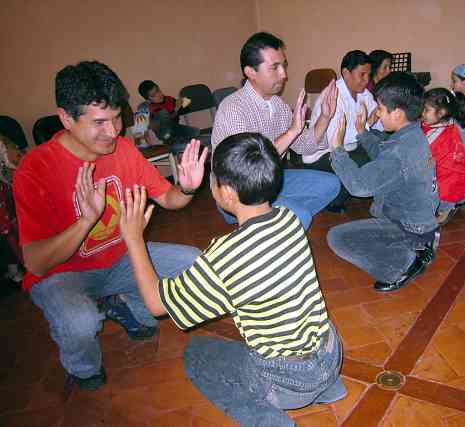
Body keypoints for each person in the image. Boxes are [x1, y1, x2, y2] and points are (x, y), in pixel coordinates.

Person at [119, 132, 346, 427]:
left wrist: (134, 238)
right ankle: (328, 388)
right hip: (330, 354)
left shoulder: (224, 257)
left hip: (291, 383)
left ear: (226, 193)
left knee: (197, 354)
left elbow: (156, 304)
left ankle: (272, 421)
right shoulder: (290, 219)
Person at [13, 61, 208, 390]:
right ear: (66, 118)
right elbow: (36, 262)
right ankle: (85, 368)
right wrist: (87, 220)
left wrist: (187, 187)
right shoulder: (35, 169)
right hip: (63, 273)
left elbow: (170, 199)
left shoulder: (125, 149)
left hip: (120, 258)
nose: (114, 130)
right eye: (99, 122)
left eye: (117, 117)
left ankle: (122, 303)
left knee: (194, 263)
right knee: (80, 322)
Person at [211, 32, 341, 230]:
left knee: (332, 184)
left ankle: (267, 221)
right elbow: (245, 170)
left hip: (271, 183)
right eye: (275, 68)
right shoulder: (233, 108)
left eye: (284, 65)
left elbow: (305, 146)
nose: (284, 74)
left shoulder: (277, 105)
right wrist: (291, 132)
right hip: (239, 194)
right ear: (250, 72)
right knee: (300, 215)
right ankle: (265, 221)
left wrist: (325, 116)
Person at [327, 72, 440, 293]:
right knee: (368, 227)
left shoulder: (399, 150)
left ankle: (402, 265)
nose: (376, 114)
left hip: (410, 228)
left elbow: (358, 186)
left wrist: (337, 149)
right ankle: (418, 246)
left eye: (379, 108)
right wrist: (363, 133)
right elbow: (383, 154)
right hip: (422, 224)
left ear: (397, 113)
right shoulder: (412, 136)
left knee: (337, 237)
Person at [303, 50, 379, 213]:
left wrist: (377, 116)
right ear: (346, 73)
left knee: (380, 153)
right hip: (323, 153)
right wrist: (367, 124)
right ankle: (332, 200)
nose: (367, 80)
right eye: (362, 75)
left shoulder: (363, 93)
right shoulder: (332, 96)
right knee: (363, 164)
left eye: (369, 75)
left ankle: (351, 189)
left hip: (349, 147)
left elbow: (377, 116)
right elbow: (336, 140)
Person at [421, 88, 465, 225]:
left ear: (441, 113)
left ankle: (448, 206)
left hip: (451, 186)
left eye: (426, 110)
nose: (422, 113)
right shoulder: (443, 125)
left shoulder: (441, 134)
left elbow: (424, 159)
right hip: (456, 182)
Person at [135, 79, 200, 145]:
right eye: (153, 95)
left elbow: (183, 111)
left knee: (196, 132)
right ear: (148, 99)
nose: (158, 95)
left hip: (175, 128)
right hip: (163, 131)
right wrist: (176, 109)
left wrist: (184, 103)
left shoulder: (169, 99)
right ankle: (169, 139)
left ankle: (176, 139)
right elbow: (168, 118)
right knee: (163, 113)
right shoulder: (152, 107)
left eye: (158, 91)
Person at [0, 134, 24, 283]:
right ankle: (14, 268)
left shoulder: (3, 143)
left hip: (6, 196)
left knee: (10, 233)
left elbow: (12, 162)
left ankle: (19, 267)